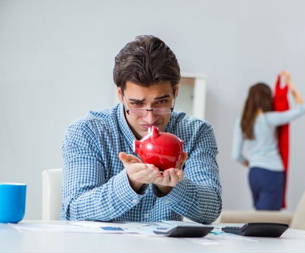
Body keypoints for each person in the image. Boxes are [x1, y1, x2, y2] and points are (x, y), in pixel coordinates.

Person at [61, 35, 221, 224]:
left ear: (175, 92)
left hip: (166, 252)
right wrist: (130, 182)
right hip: (101, 251)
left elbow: (211, 210)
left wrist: (170, 187)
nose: (150, 117)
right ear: (120, 94)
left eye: (161, 102)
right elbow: (74, 210)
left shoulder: (196, 133)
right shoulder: (87, 132)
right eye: (137, 103)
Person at [232, 71, 305, 210]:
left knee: (259, 218)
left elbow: (236, 155)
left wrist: (252, 163)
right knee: (268, 221)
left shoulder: (241, 122)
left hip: (254, 173)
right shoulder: (270, 118)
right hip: (272, 173)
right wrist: (290, 83)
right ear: (267, 99)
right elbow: (303, 108)